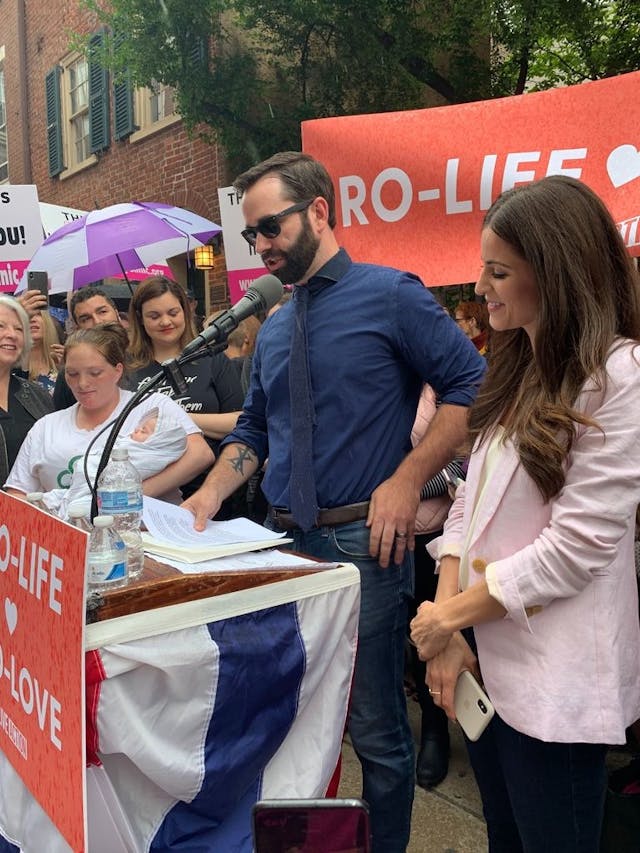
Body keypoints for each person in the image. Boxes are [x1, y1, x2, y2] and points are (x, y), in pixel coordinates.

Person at [181, 151, 485, 853]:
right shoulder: (275, 324)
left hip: (362, 548)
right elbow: (255, 430)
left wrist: (409, 479)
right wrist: (206, 498)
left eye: (271, 226)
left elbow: (471, 386)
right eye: (252, 234)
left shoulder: (393, 295)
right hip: (279, 547)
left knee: (377, 727)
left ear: (319, 209)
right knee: (290, 719)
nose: (261, 245)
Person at [410, 174, 640, 853]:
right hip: (487, 664)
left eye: (499, 271)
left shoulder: (618, 375)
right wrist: (447, 630)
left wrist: (445, 616)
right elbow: (466, 510)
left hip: (556, 683)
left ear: (558, 272)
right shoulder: (513, 369)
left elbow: (578, 546)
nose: (480, 286)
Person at [4, 324, 214, 504]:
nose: (83, 384)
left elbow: (200, 454)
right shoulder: (46, 427)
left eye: (95, 373)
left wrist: (132, 495)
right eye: (72, 374)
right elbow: (18, 493)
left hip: (147, 535)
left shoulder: (150, 407)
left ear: (118, 370)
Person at [127, 276, 244, 502]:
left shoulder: (213, 360)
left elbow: (240, 422)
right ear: (140, 319)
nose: (165, 322)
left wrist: (178, 418)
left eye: (173, 313)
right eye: (154, 316)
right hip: (150, 491)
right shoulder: (128, 368)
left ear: (185, 311)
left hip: (211, 487)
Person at [42, 407, 188, 519]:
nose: (136, 430)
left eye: (143, 431)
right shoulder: (126, 442)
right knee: (50, 498)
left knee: (78, 510)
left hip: (105, 503)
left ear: (158, 443)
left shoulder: (150, 455)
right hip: (81, 491)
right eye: (139, 427)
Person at [0, 296, 54, 486]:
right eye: (1, 326)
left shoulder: (37, 395)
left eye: (19, 329)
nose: (12, 335)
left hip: (32, 510)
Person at [52, 286, 126, 410]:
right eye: (86, 319)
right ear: (78, 327)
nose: (97, 321)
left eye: (102, 312)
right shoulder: (70, 375)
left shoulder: (144, 357)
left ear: (117, 314)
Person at [26, 310, 65, 395]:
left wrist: (68, 371)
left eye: (38, 314)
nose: (32, 319)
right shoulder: (10, 367)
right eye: (26, 315)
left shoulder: (66, 361)